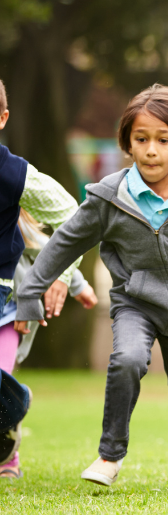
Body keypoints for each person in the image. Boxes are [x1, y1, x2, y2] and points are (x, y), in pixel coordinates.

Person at [15, 84, 168, 490]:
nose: (151, 150)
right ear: (128, 144)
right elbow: (65, 241)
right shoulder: (109, 197)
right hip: (135, 301)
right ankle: (109, 455)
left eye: (163, 140)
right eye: (141, 139)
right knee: (127, 360)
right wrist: (30, 292)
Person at [0, 78, 91, 476]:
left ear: (2, 118)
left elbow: (72, 218)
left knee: (0, 383)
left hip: (5, 301)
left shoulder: (13, 174)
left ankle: (9, 428)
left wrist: (64, 275)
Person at [0, 211, 99, 478]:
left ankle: (7, 460)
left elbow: (50, 250)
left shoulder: (9, 217)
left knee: (0, 382)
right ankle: (16, 399)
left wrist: (77, 285)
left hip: (7, 317)